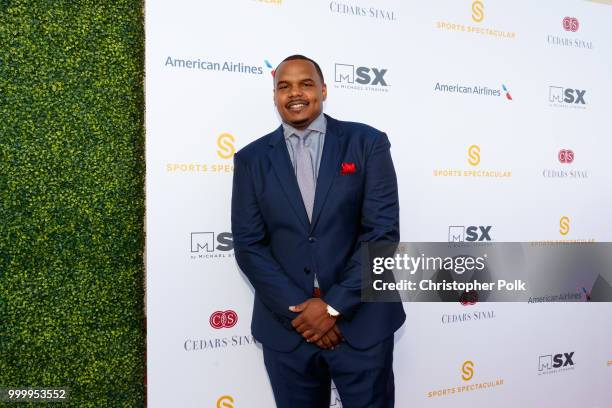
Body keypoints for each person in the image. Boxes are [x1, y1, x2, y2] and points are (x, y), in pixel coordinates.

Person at [231, 54, 405, 408]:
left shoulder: (367, 143)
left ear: (323, 90)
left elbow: (382, 234)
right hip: (288, 331)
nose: (295, 93)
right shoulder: (251, 160)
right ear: (275, 95)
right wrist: (303, 314)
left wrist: (333, 307)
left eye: (306, 83)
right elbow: (249, 245)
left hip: (362, 324)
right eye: (284, 86)